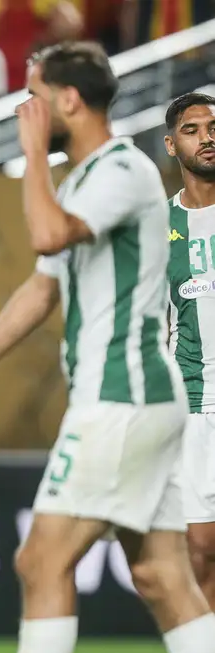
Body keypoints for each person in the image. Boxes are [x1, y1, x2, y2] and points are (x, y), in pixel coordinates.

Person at [0, 43, 215, 653]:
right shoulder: (85, 178)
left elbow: (47, 237)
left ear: (69, 101)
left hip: (123, 393)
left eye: (34, 94)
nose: (26, 108)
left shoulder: (120, 169)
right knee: (163, 576)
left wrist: (29, 159)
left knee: (41, 559)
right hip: (138, 397)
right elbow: (41, 288)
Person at [163, 92, 215, 613]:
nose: (208, 136)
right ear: (172, 143)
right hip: (195, 406)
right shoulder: (159, 229)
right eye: (193, 129)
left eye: (213, 127)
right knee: (200, 551)